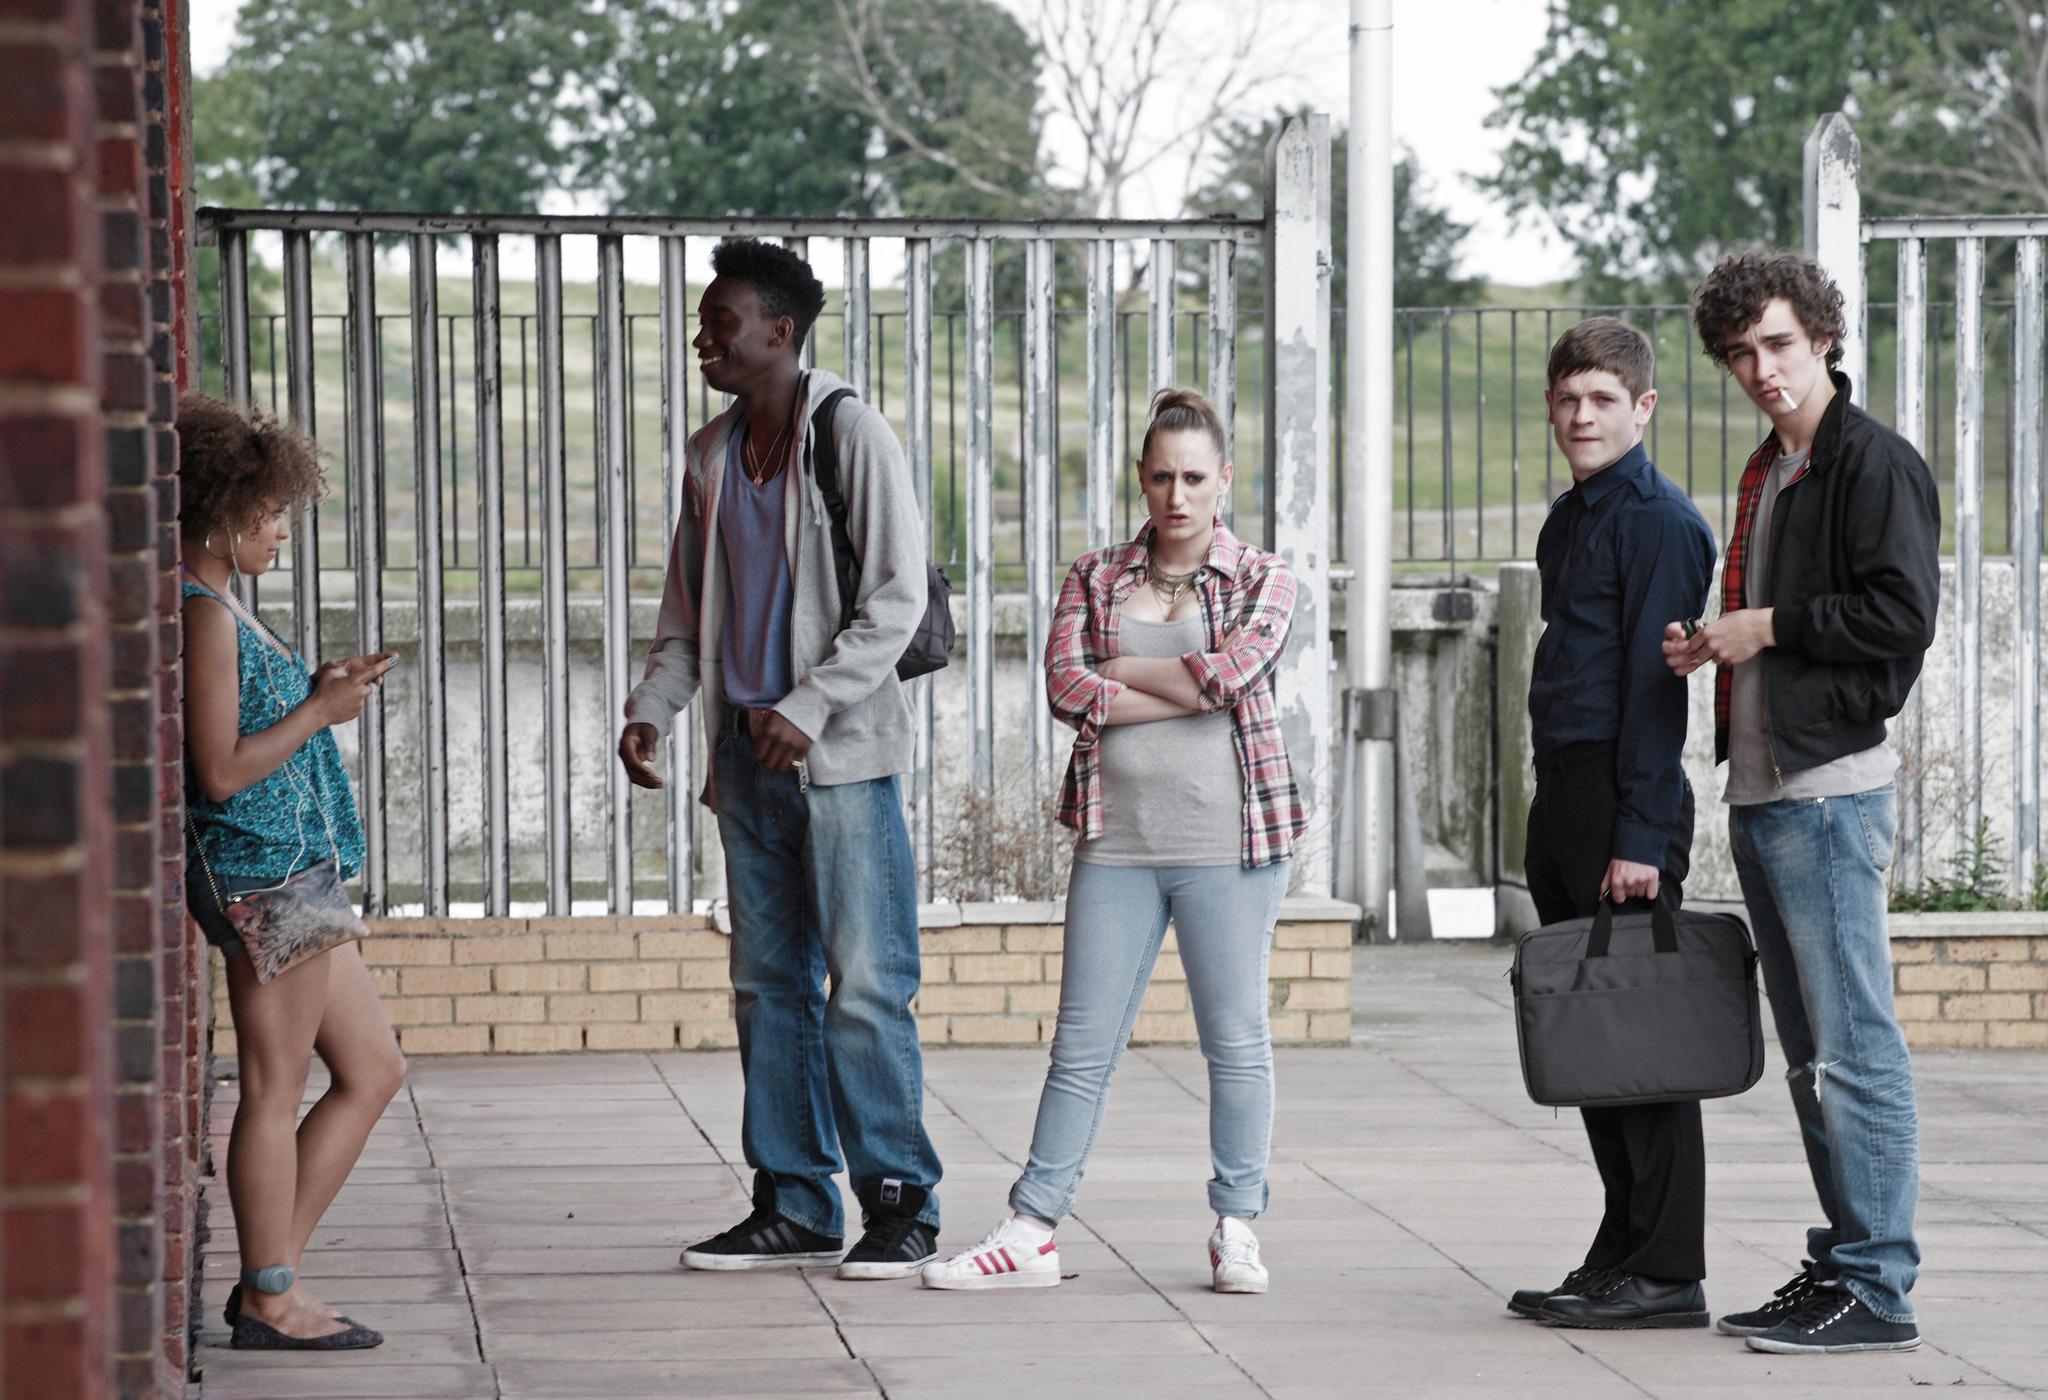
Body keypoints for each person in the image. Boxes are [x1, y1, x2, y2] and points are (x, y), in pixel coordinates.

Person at [921, 387, 1304, 1295]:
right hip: (1116, 842)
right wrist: (1174, 678)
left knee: (1236, 1041)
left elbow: (1232, 680)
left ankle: (1236, 1227)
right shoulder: (1093, 575)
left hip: (1233, 842)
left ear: (1225, 481)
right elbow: (1063, 686)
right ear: (1142, 476)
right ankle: (1031, 1232)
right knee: (1082, 1045)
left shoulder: (1265, 579)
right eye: (1163, 475)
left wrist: (1122, 667)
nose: (1178, 495)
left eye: (1196, 478)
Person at [618, 238, 942, 1280]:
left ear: (780, 331)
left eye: (722, 320)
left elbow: (894, 598)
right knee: (767, 984)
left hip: (840, 761)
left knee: (865, 982)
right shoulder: (710, 453)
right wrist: (653, 710)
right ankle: (793, 1199)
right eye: (703, 322)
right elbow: (685, 612)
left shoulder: (847, 431)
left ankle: (898, 1202)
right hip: (747, 763)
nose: (703, 337)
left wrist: (808, 704)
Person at [1664, 252, 1937, 1355]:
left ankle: (1876, 1283)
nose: (1758, 369)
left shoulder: (1870, 463)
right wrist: (1713, 642)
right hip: (1766, 785)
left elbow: (1898, 616)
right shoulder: (1769, 468)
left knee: (1853, 1043)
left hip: (1827, 792)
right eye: (1738, 353)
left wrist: (1765, 626)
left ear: (1821, 335)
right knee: (1810, 1050)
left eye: (1775, 344)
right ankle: (1839, 1258)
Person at [178, 395, 406, 1350]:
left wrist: (321, 692)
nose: (280, 528)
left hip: (299, 877)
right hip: (263, 880)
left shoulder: (226, 602)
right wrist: (320, 714)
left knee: (375, 1070)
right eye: (270, 510)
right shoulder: (202, 614)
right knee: (275, 1087)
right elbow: (220, 770)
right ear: (221, 509)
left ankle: (269, 1279)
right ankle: (271, 1295)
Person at [1509, 319, 1717, 1330]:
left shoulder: (1659, 522)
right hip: (1565, 791)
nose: (1578, 414)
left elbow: (1651, 690)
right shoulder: (1570, 516)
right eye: (1564, 398)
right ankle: (1618, 1246)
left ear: (1640, 407)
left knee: (1645, 1035)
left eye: (1599, 398)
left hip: (1620, 799)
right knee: (1590, 1035)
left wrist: (1636, 831)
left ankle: (1667, 1266)